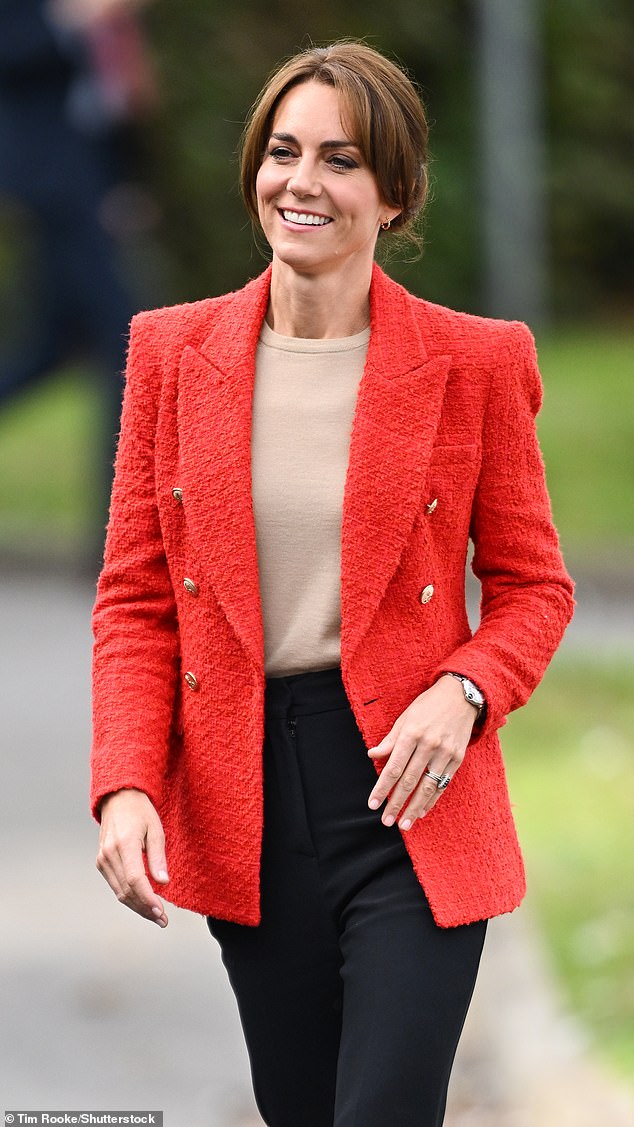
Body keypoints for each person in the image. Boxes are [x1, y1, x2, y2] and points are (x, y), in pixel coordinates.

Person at [91, 41, 575, 1127]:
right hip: (247, 802)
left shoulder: (477, 361)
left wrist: (463, 692)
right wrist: (127, 780)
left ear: (395, 193)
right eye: (282, 151)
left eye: (340, 158)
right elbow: (135, 597)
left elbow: (535, 587)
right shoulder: (171, 353)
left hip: (412, 801)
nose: (300, 181)